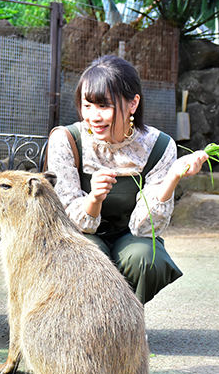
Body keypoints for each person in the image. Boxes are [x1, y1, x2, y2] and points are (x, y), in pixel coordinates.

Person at [46, 55, 208, 304]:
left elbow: (144, 229)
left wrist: (173, 178)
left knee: (145, 256)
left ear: (133, 104)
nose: (94, 117)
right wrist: (94, 200)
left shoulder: (159, 145)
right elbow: (64, 216)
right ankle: (84, 323)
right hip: (80, 235)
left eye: (104, 106)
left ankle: (130, 324)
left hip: (129, 235)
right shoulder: (67, 140)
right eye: (87, 105)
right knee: (90, 254)